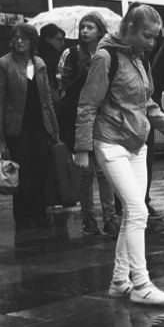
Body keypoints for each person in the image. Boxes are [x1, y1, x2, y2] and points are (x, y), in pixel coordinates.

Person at [73, 3, 164, 306]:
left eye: (155, 38)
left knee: (131, 214)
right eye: (148, 37)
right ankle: (141, 283)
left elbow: (147, 104)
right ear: (129, 29)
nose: (153, 44)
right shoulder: (106, 57)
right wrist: (83, 149)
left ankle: (118, 281)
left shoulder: (141, 60)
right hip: (110, 142)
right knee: (138, 212)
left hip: (137, 145)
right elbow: (87, 105)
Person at [0, 22, 61, 230]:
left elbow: (47, 97)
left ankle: (40, 213)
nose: (19, 41)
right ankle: (23, 216)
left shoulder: (39, 63)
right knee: (21, 172)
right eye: (16, 37)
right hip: (16, 126)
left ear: (32, 41)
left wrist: (55, 126)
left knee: (39, 170)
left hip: (39, 125)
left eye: (24, 38)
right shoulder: (4, 64)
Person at [58, 12, 117, 236]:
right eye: (83, 27)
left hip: (104, 117)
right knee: (86, 172)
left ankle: (110, 218)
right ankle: (88, 218)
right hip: (81, 116)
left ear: (100, 30)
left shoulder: (108, 54)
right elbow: (63, 87)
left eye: (90, 27)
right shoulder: (71, 54)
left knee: (104, 171)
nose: (84, 31)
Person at [37, 22, 66, 91]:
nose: (63, 43)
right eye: (59, 40)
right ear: (48, 39)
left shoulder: (54, 55)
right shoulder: (46, 57)